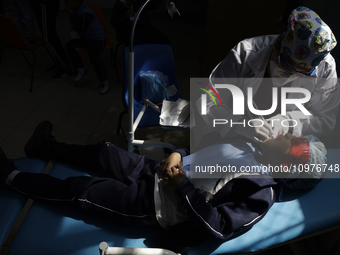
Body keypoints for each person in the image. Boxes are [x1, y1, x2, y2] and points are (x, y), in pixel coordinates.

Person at [0, 120, 326, 253]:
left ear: (290, 166)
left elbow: (221, 227)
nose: (290, 134)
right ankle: (44, 147)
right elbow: (198, 154)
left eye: (296, 142)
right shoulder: (247, 145)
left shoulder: (261, 192)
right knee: (104, 151)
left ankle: (10, 177)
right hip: (153, 170)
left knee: (80, 190)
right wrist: (176, 153)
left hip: (153, 204)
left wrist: (183, 185)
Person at [202, 6, 340, 144]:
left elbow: (325, 119)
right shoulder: (246, 53)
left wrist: (288, 122)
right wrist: (239, 124)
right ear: (278, 42)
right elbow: (210, 99)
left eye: (300, 74)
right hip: (231, 138)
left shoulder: (325, 68)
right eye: (286, 67)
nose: (290, 76)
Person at [64, 0, 110, 95]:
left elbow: (79, 29)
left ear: (77, 3)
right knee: (69, 46)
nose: (66, 4)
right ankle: (81, 68)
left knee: (96, 60)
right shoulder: (77, 9)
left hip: (97, 39)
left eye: (68, 1)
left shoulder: (86, 13)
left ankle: (104, 81)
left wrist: (71, 15)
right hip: (86, 38)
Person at [30, 0, 75, 80]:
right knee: (51, 36)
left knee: (48, 39)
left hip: (44, 4)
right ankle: (60, 63)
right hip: (45, 4)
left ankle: (67, 68)